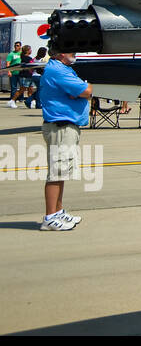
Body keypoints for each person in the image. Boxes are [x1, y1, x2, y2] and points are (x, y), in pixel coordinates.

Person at [37, 46, 92, 230]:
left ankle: (58, 212)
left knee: (62, 172)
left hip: (67, 126)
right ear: (60, 53)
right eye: (70, 50)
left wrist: (80, 90)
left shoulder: (63, 69)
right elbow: (87, 91)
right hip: (61, 126)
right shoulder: (57, 70)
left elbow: (79, 90)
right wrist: (84, 89)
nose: (75, 53)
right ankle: (50, 217)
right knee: (56, 172)